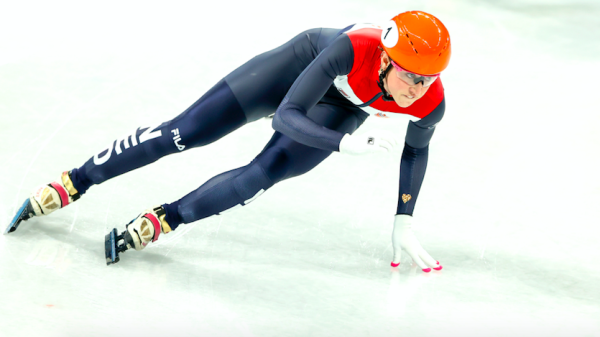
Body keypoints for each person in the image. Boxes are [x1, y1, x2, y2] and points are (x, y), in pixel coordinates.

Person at [6, 10, 450, 272]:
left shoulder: (430, 101)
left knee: (265, 174)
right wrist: (341, 145)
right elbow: (289, 117)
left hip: (342, 108)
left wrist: (404, 219)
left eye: (429, 78)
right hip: (296, 69)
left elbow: (417, 149)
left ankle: (164, 220)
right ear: (387, 59)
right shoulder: (353, 48)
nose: (419, 88)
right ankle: (76, 181)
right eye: (412, 76)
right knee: (185, 132)